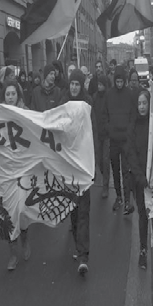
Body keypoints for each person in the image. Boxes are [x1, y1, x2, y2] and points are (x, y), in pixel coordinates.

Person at [126, 90, 153, 291]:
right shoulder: (133, 127)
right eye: (139, 103)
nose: (142, 106)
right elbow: (131, 154)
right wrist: (141, 178)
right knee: (143, 217)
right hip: (141, 183)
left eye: (145, 103)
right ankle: (143, 249)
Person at [59, 68, 96, 275]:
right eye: (72, 84)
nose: (74, 87)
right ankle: (78, 245)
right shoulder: (62, 105)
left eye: (78, 84)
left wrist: (94, 164)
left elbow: (95, 132)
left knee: (84, 211)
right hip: (68, 165)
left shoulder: (88, 105)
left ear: (82, 86)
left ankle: (83, 255)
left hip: (84, 165)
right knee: (73, 211)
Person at [0, 80, 31, 270]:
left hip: (23, 167)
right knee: (8, 212)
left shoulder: (25, 112)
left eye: (13, 94)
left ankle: (25, 239)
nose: (10, 97)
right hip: (4, 170)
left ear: (17, 95)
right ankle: (12, 253)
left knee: (22, 208)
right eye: (7, 94)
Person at [103, 65, 136, 215]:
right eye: (118, 81)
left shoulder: (129, 94)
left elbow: (133, 116)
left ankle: (128, 199)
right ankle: (119, 196)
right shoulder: (109, 95)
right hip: (114, 139)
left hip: (125, 140)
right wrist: (109, 129)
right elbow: (105, 115)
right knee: (115, 169)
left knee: (126, 171)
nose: (119, 83)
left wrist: (129, 132)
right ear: (115, 80)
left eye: (122, 81)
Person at [93, 75, 110, 198]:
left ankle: (105, 185)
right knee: (99, 161)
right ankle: (104, 176)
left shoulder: (109, 97)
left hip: (107, 134)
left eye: (101, 85)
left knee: (105, 159)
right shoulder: (94, 97)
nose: (100, 87)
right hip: (97, 133)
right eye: (98, 85)